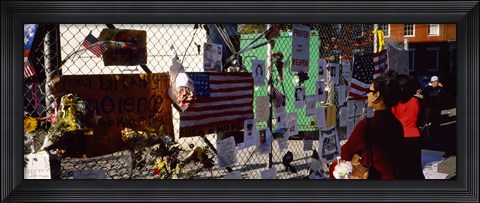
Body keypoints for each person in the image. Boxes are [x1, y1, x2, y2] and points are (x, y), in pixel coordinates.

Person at [338, 76, 404, 179]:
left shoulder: (368, 125)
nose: (367, 94)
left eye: (369, 91)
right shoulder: (397, 124)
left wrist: (354, 156)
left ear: (376, 95)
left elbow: (346, 152)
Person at [391, 74, 425, 179]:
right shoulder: (416, 101)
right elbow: (420, 118)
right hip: (415, 136)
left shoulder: (394, 103)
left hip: (400, 137)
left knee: (400, 168)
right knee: (415, 167)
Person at [422, 75, 447, 148]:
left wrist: (442, 88)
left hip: (436, 109)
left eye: (435, 82)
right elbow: (424, 97)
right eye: (432, 82)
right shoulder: (428, 89)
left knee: (435, 124)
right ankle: (427, 138)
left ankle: (435, 139)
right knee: (428, 124)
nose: (434, 83)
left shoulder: (440, 89)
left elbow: (444, 96)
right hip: (429, 108)